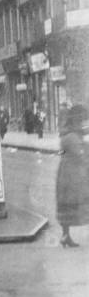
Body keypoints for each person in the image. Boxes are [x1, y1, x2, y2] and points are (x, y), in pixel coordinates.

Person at [56, 104, 89, 248]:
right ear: (76, 121)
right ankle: (65, 236)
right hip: (74, 177)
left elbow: (61, 153)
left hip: (65, 175)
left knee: (65, 206)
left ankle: (65, 235)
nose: (82, 124)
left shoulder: (66, 135)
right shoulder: (73, 137)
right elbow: (81, 156)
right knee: (78, 204)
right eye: (81, 121)